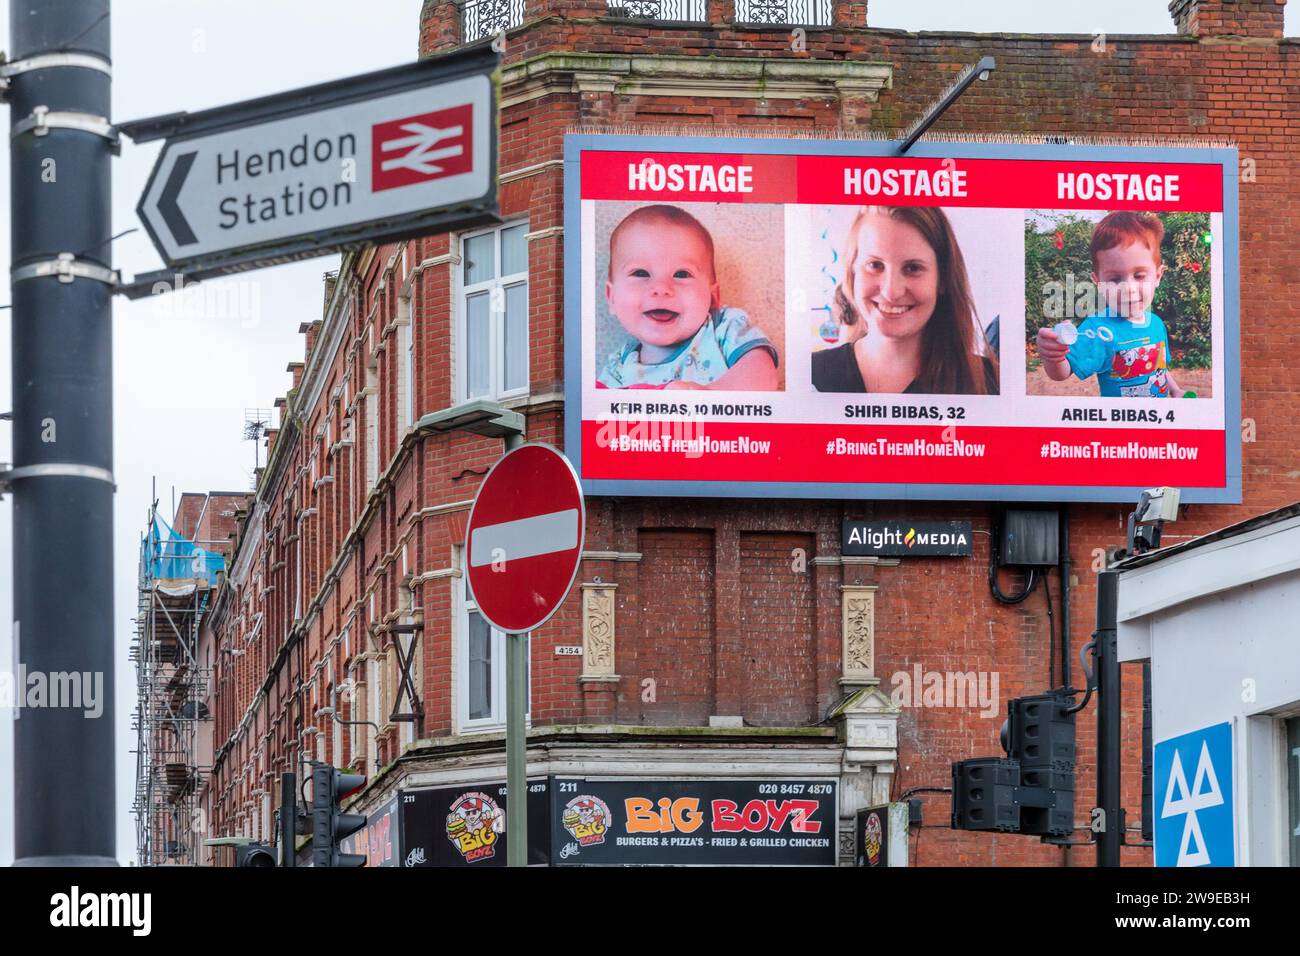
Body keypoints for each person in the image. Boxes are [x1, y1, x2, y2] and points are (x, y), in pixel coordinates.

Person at [811, 205, 998, 394]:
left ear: (942, 279)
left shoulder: (992, 384)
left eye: (913, 268)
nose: (891, 292)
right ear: (852, 272)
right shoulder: (811, 376)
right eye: (875, 265)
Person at [596, 204, 779, 391]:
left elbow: (763, 374)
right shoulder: (617, 368)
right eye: (641, 273)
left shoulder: (723, 328)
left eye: (682, 274)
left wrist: (708, 395)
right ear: (612, 298)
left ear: (713, 297)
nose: (661, 288)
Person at [1035, 211, 1184, 398]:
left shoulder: (1156, 323)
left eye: (1139, 276)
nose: (1128, 288)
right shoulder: (1097, 328)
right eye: (1114, 279)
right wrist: (1054, 356)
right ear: (1098, 282)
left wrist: (1175, 389)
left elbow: (1160, 367)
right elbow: (1062, 373)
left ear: (1157, 276)